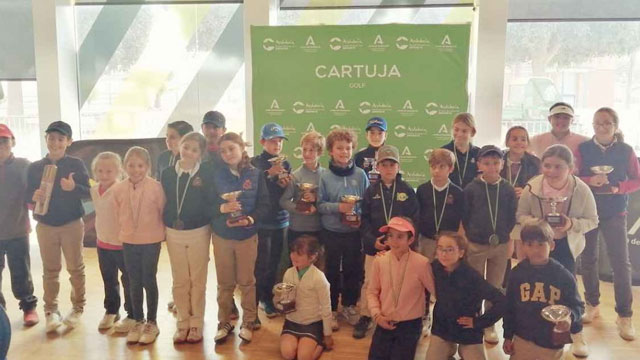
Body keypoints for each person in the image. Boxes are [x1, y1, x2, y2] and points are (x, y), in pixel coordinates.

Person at [576, 107, 639, 341]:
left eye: (607, 123)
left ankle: (625, 315)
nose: (602, 127)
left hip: (615, 213)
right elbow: (572, 176)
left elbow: (637, 179)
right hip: (588, 212)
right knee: (588, 259)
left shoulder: (626, 150)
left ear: (615, 125)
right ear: (592, 125)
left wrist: (618, 188)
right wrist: (590, 180)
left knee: (621, 264)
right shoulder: (583, 149)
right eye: (597, 123)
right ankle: (591, 303)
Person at [26, 121, 90, 333]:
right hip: (45, 226)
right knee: (50, 270)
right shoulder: (35, 167)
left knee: (75, 267)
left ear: (68, 142)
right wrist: (33, 197)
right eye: (51, 138)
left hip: (72, 223)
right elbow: (27, 196)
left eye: (60, 139)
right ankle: (51, 310)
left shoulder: (76, 164)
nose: (55, 143)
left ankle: (77, 307)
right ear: (46, 140)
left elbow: (87, 192)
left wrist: (73, 187)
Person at [211, 132, 270, 344]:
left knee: (247, 281)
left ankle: (248, 321)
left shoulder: (256, 173)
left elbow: (264, 205)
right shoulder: (216, 174)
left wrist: (251, 219)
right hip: (222, 236)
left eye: (232, 149)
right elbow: (208, 206)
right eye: (223, 150)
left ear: (242, 148)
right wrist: (222, 208)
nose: (228, 154)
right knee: (225, 283)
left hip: (247, 236)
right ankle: (224, 322)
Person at [355, 145, 419, 339]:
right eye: (384, 164)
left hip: (399, 248)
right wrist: (372, 240)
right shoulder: (370, 191)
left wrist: (402, 243)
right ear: (378, 167)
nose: (388, 168)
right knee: (370, 283)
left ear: (398, 167)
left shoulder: (407, 190)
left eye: (392, 164)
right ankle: (366, 315)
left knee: (396, 282)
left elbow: (414, 219)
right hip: (375, 246)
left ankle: (396, 314)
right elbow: (363, 219)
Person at [161, 132, 215, 344]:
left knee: (198, 279)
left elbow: (211, 201)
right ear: (179, 146)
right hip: (173, 232)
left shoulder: (206, 173)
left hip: (199, 231)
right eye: (186, 146)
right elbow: (162, 201)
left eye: (194, 149)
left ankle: (197, 323)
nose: (189, 152)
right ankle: (182, 322)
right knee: (180, 279)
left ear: (201, 154)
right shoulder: (166, 173)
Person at [503, 220, 584, 360]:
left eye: (541, 244)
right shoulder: (517, 274)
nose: (535, 249)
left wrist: (569, 318)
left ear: (551, 245)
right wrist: (508, 336)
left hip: (551, 341)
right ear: (522, 246)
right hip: (523, 338)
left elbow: (578, 305)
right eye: (530, 245)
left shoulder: (563, 276)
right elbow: (509, 307)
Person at [461, 145, 517, 344]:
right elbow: (465, 217)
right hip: (476, 245)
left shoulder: (508, 189)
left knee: (494, 287)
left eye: (495, 162)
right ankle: (473, 319)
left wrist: (510, 241)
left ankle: (489, 324)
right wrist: (467, 241)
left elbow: (512, 218)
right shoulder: (471, 188)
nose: (491, 167)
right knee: (475, 285)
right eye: (486, 163)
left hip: (500, 245)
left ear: (502, 164)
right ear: (479, 164)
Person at [112, 147, 166, 344]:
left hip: (151, 240)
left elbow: (161, 210)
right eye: (131, 165)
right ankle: (137, 319)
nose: (135, 170)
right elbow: (118, 212)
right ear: (124, 167)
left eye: (140, 165)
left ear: (148, 167)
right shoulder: (118, 189)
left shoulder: (156, 187)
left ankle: (152, 322)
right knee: (133, 280)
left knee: (148, 279)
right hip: (129, 240)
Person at [317, 128, 369, 330]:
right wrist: (338, 207)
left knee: (352, 271)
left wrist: (358, 218)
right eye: (339, 148)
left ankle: (348, 306)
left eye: (348, 148)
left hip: (353, 234)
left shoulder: (360, 174)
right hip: (331, 233)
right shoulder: (325, 176)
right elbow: (320, 205)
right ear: (331, 150)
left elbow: (366, 203)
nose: (344, 152)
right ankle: (330, 309)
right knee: (330, 271)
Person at [426, 232, 505, 360]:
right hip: (442, 328)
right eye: (440, 248)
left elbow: (501, 301)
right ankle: (449, 350)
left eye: (450, 249)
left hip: (467, 330)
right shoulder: (434, 267)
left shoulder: (472, 277)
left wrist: (479, 322)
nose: (444, 254)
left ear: (461, 253)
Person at [366, 217, 435, 360]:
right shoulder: (380, 260)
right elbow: (372, 291)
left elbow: (436, 291)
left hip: (410, 325)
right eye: (390, 236)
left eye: (400, 237)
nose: (393, 241)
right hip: (383, 320)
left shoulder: (421, 263)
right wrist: (376, 315)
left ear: (410, 240)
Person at [251, 122, 292, 319]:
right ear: (262, 142)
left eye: (279, 141)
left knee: (275, 263)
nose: (277, 145)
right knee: (261, 265)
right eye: (272, 141)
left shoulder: (286, 163)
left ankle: (268, 299)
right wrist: (268, 174)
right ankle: (256, 302)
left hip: (281, 220)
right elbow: (251, 190)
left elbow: (287, 192)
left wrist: (286, 184)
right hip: (262, 222)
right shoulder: (255, 163)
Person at [0, 124, 38, 326]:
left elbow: (36, 189)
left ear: (12, 142)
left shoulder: (24, 165)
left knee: (21, 272)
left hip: (17, 230)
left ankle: (29, 307)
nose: (0, 146)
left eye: (3, 141)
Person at [90, 152, 133, 331]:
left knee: (128, 279)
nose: (104, 175)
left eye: (109, 171)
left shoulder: (121, 189)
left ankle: (133, 313)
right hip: (103, 244)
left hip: (121, 244)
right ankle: (111, 311)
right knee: (109, 279)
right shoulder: (94, 190)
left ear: (119, 171)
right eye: (100, 171)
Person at [277, 235, 333, 360]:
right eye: (292, 252)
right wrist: (281, 303)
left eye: (299, 254)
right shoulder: (288, 273)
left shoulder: (319, 278)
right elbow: (285, 299)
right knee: (288, 354)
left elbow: (326, 308)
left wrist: (327, 334)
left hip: (311, 322)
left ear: (312, 257)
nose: (294, 256)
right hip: (292, 321)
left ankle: (320, 343)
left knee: (303, 357)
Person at [500, 126, 540, 288]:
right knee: (506, 252)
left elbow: (540, 184)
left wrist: (526, 190)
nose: (519, 142)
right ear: (507, 141)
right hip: (503, 212)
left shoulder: (535, 162)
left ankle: (525, 284)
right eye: (514, 138)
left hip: (525, 210)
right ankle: (505, 286)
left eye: (523, 139)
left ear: (528, 142)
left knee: (524, 250)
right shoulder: (499, 157)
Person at [416, 148, 465, 260]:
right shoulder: (422, 190)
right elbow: (417, 217)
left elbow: (462, 219)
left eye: (442, 167)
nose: (437, 171)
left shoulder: (457, 192)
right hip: (426, 240)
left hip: (448, 243)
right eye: (433, 167)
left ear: (451, 168)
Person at [279, 131, 325, 249]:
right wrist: (300, 209)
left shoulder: (326, 176)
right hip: (297, 229)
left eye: (311, 150)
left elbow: (329, 200)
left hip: (318, 229)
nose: (307, 154)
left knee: (317, 265)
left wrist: (316, 201)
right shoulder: (295, 176)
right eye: (304, 150)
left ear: (319, 152)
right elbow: (284, 201)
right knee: (296, 265)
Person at [441, 113, 480, 189]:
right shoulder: (443, 152)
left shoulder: (478, 153)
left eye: (464, 131)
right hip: (449, 197)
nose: (459, 134)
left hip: (471, 197)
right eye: (456, 129)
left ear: (472, 132)